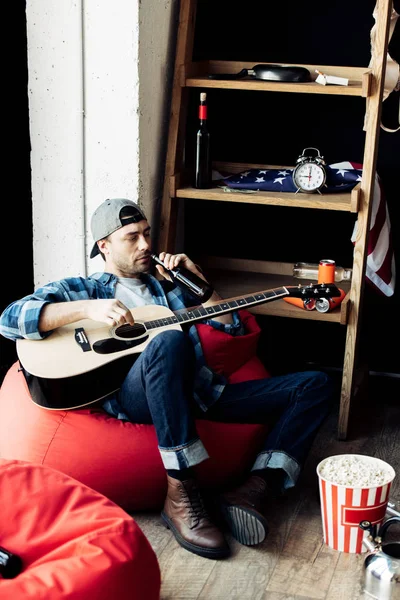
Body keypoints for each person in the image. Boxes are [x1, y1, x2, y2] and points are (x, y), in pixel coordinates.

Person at [0, 198, 334, 560]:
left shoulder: (169, 289)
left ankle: (255, 487)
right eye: (131, 237)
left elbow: (232, 330)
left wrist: (201, 285)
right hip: (138, 398)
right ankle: (181, 491)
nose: (146, 245)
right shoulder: (83, 289)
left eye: (147, 234)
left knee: (316, 384)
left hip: (201, 393)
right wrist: (88, 308)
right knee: (169, 340)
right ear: (104, 246)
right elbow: (11, 318)